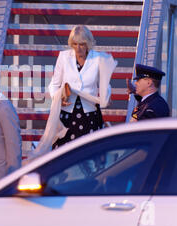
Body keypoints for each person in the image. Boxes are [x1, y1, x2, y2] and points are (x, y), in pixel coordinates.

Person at [31, 25, 117, 157]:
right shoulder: (64, 57)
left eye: (82, 44)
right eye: (74, 44)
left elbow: (105, 84)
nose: (78, 48)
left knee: (88, 155)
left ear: (88, 43)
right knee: (64, 155)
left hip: (90, 116)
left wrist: (106, 96)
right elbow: (54, 84)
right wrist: (58, 98)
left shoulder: (98, 58)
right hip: (67, 116)